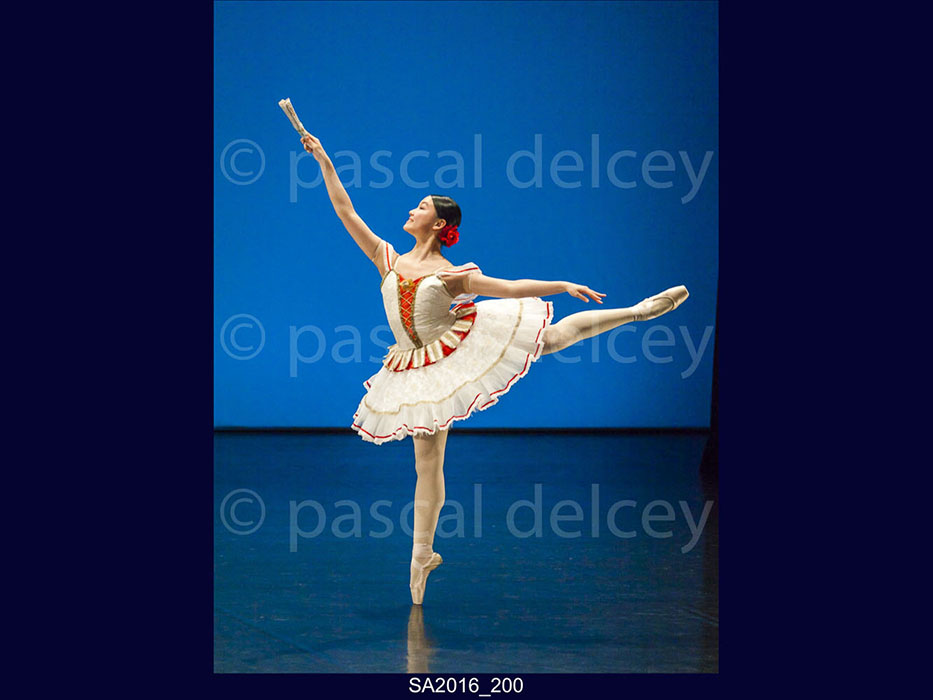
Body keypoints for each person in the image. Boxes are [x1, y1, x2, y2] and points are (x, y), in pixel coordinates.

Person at [299, 133, 688, 605]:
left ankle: (638, 312)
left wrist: (560, 284)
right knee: (427, 462)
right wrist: (324, 160)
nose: (411, 210)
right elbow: (346, 211)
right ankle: (422, 555)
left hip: (453, 349)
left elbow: (509, 287)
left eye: (421, 207)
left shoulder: (452, 273)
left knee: (551, 338)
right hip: (415, 364)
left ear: (438, 223)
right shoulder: (389, 259)